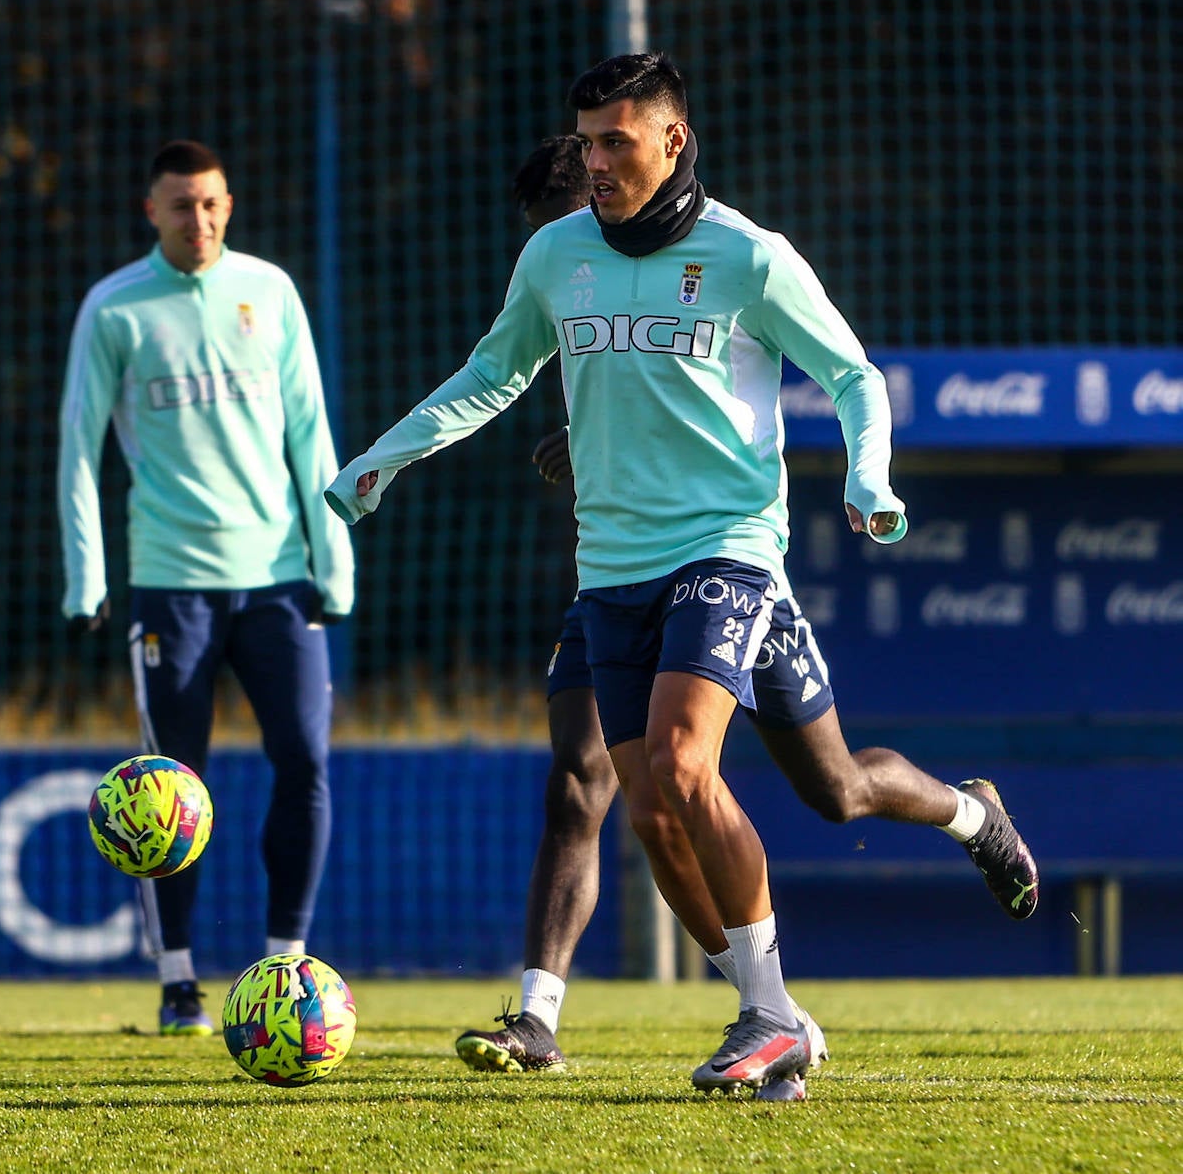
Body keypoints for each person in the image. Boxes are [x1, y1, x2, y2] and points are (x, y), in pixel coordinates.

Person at [325, 54, 1038, 1099]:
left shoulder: (748, 256)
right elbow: (494, 373)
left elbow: (851, 374)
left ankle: (769, 1007)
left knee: (684, 762)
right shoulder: (554, 254)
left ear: (673, 140)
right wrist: (378, 457)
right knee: (669, 808)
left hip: (729, 550)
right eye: (586, 142)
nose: (596, 161)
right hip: (612, 569)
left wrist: (869, 475)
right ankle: (777, 1009)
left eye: (617, 141)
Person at [58, 139, 354, 1036]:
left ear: (231, 203)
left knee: (304, 761)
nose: (202, 220)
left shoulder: (270, 291)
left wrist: (332, 559)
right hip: (170, 585)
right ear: (152, 210)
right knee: (170, 791)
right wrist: (88, 577)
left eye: (214, 202)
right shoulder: (116, 308)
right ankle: (179, 977)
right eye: (183, 205)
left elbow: (311, 430)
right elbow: (79, 445)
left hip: (280, 582)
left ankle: (284, 965)